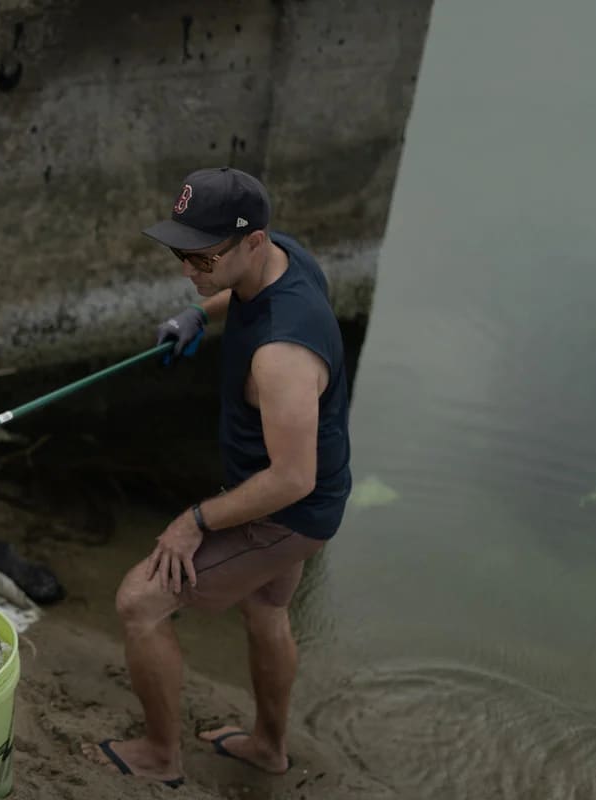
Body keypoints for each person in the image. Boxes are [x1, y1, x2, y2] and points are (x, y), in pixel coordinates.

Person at [83, 166, 352, 788]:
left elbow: (291, 478)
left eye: (201, 258)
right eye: (181, 253)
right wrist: (198, 313)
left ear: (252, 242)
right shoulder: (285, 256)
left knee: (140, 603)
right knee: (265, 612)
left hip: (288, 510)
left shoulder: (285, 356)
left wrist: (193, 521)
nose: (188, 270)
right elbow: (240, 292)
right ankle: (268, 747)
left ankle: (159, 754)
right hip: (308, 498)